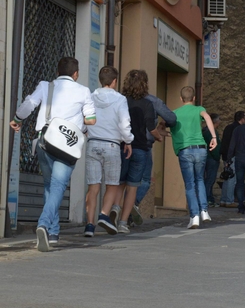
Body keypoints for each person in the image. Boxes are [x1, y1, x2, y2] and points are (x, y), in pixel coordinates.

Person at [10, 57, 96, 251]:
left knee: (50, 185)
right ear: (76, 74)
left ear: (58, 72)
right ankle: (43, 224)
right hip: (67, 146)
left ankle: (53, 231)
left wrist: (17, 119)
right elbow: (91, 120)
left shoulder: (45, 86)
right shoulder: (83, 91)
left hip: (44, 142)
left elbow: (29, 104)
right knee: (58, 186)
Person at [85, 66, 134, 237]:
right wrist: (128, 140)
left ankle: (89, 225)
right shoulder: (120, 99)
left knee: (93, 186)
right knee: (112, 184)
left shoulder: (90, 97)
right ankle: (104, 215)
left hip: (93, 144)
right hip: (112, 145)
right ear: (114, 81)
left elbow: (85, 119)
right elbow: (124, 123)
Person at [111, 70, 159, 234]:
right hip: (140, 148)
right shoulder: (147, 104)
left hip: (121, 146)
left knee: (120, 183)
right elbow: (151, 128)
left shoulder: (120, 101)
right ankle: (123, 223)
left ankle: (115, 208)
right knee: (132, 187)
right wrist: (159, 136)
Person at [170, 86, 218, 228]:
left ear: (181, 99)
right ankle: (204, 210)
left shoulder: (175, 113)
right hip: (201, 149)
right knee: (200, 180)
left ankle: (194, 216)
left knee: (190, 184)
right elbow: (208, 117)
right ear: (194, 98)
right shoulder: (199, 109)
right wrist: (214, 136)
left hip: (185, 151)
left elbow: (165, 125)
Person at [132, 91, 176, 225]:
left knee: (124, 181)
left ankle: (118, 209)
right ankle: (132, 205)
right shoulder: (152, 101)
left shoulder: (123, 98)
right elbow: (171, 118)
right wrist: (160, 130)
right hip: (144, 145)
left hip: (124, 144)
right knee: (145, 180)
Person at [219, 111, 245, 207]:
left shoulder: (228, 127)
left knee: (227, 177)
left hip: (226, 155)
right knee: (232, 178)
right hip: (233, 155)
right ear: (241, 118)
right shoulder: (238, 129)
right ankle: (229, 200)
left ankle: (223, 199)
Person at [203, 113, 222, 207]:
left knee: (208, 179)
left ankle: (209, 198)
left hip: (206, 157)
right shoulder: (212, 132)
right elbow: (213, 147)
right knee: (210, 180)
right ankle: (207, 199)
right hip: (211, 158)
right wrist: (217, 157)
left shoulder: (205, 130)